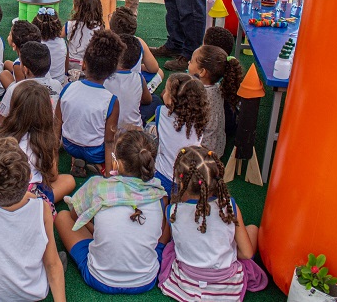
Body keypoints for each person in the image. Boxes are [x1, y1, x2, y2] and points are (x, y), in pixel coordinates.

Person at [56, 129, 168, 294]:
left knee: (63, 217)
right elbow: (160, 236)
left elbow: (76, 217)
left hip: (99, 278)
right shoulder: (161, 197)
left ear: (118, 163)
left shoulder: (97, 186)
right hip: (146, 279)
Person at [0, 137, 66, 302]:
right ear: (29, 177)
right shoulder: (42, 208)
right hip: (33, 293)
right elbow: (52, 264)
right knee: (57, 258)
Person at [159, 146, 267, 300]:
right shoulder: (230, 206)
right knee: (253, 230)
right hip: (226, 286)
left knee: (171, 247)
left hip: (186, 283)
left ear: (181, 182)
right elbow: (247, 253)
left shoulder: (172, 210)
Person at [0, 81, 75, 204]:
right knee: (69, 180)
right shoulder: (44, 141)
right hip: (29, 196)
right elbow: (53, 176)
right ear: (45, 112)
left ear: (14, 108)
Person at [57, 30, 123, 177]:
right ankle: (101, 168)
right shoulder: (111, 100)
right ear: (112, 71)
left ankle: (76, 161)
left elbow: (56, 126)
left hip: (69, 146)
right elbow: (109, 141)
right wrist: (110, 176)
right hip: (95, 152)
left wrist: (52, 164)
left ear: (84, 64)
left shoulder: (67, 88)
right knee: (120, 137)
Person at [147, 73, 208, 196]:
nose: (164, 93)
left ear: (173, 99)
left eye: (167, 91)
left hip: (162, 177)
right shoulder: (201, 117)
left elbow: (160, 137)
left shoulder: (161, 112)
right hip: (189, 180)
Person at [188, 45, 243, 154]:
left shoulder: (196, 94)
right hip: (217, 148)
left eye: (192, 61)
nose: (189, 63)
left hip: (201, 152)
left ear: (202, 72)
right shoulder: (218, 88)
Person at [0, 41, 62, 124]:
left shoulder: (16, 88)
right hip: (51, 130)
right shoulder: (57, 85)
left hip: (22, 132)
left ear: (25, 69)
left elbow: (2, 120)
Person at [103, 34, 153, 128]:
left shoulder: (103, 76)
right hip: (132, 132)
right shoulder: (139, 78)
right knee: (155, 101)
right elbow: (147, 100)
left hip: (106, 129)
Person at [61, 0, 104, 78]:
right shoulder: (99, 27)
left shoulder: (70, 25)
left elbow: (58, 38)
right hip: (89, 66)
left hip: (69, 65)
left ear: (76, 7)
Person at [0, 20, 42, 89]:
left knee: (4, 74)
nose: (8, 35)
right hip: (38, 82)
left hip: (27, 91)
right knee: (7, 63)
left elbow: (21, 87)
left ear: (14, 45)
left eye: (10, 34)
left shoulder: (18, 65)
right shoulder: (39, 54)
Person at [33, 7, 67, 85]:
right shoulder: (63, 43)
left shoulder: (35, 44)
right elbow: (66, 67)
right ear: (57, 25)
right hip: (60, 82)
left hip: (40, 85)